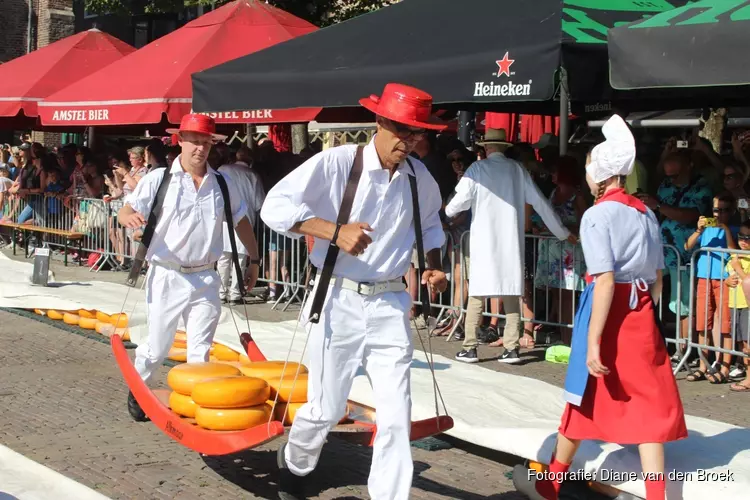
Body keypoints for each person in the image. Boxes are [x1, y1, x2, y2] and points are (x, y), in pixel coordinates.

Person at [260, 83, 449, 500]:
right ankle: (296, 460)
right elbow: (274, 208)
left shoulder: (421, 180)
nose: (410, 140)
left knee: (398, 414)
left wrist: (433, 267)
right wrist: (333, 231)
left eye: (417, 132)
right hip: (338, 297)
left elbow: (431, 228)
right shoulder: (337, 162)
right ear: (378, 122)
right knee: (327, 407)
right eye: (402, 129)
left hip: (390, 302)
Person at [535, 115, 687, 500]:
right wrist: (646, 313)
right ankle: (657, 495)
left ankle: (553, 481)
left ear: (599, 174)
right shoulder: (645, 213)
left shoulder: (597, 215)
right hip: (640, 308)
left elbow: (603, 279)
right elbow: (657, 275)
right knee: (649, 406)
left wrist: (594, 339)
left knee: (581, 397)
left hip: (610, 308)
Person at [118, 114, 261, 422]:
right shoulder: (159, 179)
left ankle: (198, 405)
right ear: (180, 141)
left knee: (201, 350)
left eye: (205, 142)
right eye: (194, 141)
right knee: (157, 346)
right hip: (167, 273)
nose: (199, 149)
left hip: (206, 276)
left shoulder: (222, 182)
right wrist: (127, 217)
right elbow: (127, 208)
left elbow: (241, 221)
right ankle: (139, 387)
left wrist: (254, 258)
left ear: (212, 145)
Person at [446, 128, 574, 365]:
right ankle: (512, 349)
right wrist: (562, 233)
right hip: (510, 241)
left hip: (484, 241)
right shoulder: (518, 170)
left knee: (477, 294)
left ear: (486, 147)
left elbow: (457, 204)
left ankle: (470, 347)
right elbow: (541, 203)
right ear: (504, 147)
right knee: (512, 293)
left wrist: (446, 212)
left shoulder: (477, 169)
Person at [217, 146, 266, 304]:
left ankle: (221, 291)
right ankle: (235, 293)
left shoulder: (224, 169)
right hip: (245, 219)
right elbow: (260, 202)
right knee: (240, 259)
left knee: (223, 258)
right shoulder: (253, 175)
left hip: (224, 218)